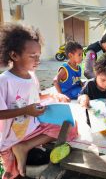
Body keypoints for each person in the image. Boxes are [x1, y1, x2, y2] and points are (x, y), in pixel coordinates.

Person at [0, 24, 77, 178]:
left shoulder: (32, 76)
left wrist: (53, 96)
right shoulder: (4, 81)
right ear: (14, 56)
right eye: (32, 55)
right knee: (12, 174)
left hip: (32, 128)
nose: (38, 60)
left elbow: (35, 97)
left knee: (70, 127)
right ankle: (18, 150)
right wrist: (25, 110)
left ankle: (24, 147)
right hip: (11, 136)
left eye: (39, 55)